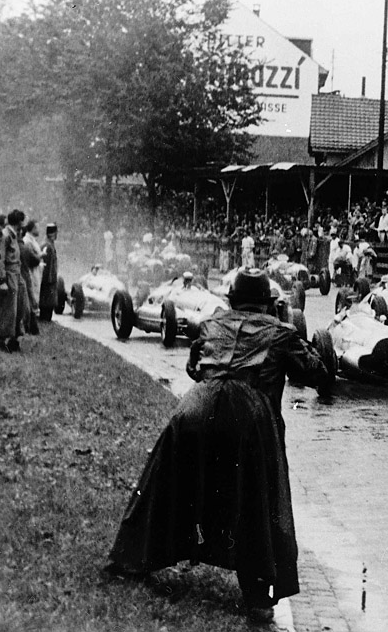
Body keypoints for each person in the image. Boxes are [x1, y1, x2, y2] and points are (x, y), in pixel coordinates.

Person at [106, 268, 328, 622]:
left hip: (196, 404)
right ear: (269, 304)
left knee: (164, 482)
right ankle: (257, 597)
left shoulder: (211, 324)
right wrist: (288, 336)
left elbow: (195, 369)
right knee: (258, 500)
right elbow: (317, 373)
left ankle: (131, 558)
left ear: (233, 300)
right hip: (249, 413)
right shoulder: (280, 331)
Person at [0, 210, 26, 353]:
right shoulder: (6, 235)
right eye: (22, 221)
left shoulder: (15, 235)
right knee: (10, 309)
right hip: (9, 273)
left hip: (17, 272)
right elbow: (0, 259)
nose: (24, 223)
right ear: (18, 222)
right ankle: (4, 339)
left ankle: (15, 336)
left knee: (22, 306)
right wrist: (2, 280)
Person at [20, 220, 43, 335]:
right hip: (30, 272)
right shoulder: (28, 242)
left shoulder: (31, 241)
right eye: (37, 227)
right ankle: (30, 326)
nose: (39, 230)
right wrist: (40, 256)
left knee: (33, 296)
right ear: (32, 228)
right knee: (31, 297)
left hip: (34, 272)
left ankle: (31, 325)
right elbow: (32, 259)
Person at [38, 224, 59, 321]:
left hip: (48, 278)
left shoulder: (48, 244)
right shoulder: (48, 246)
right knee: (47, 301)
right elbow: (47, 265)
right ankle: (45, 318)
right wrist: (49, 279)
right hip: (48, 279)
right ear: (53, 233)